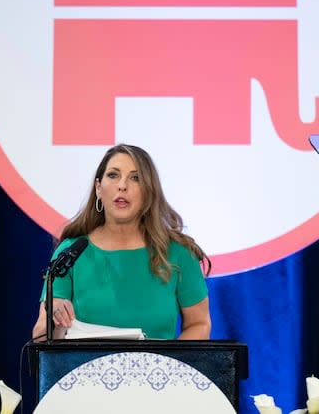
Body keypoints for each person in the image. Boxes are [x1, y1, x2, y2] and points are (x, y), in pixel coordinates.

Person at [31, 144, 211, 340]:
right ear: (98, 188)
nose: (122, 185)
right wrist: (55, 323)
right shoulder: (71, 253)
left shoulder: (178, 253)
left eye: (135, 178)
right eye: (113, 175)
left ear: (148, 192)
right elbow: (41, 337)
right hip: (85, 370)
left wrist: (169, 366)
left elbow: (199, 324)